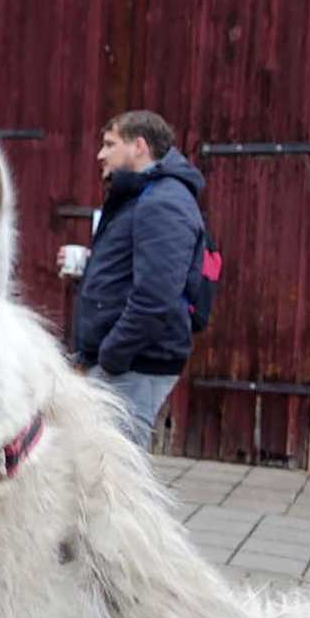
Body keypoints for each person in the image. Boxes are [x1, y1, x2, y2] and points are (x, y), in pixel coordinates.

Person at [71, 110, 206, 449]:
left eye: (109, 144)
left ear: (139, 146)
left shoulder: (163, 202)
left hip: (136, 363)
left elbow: (156, 297)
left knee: (118, 470)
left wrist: (112, 356)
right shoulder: (140, 198)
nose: (101, 154)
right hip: (120, 358)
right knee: (101, 464)